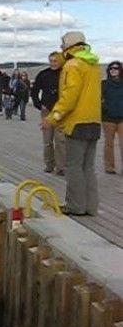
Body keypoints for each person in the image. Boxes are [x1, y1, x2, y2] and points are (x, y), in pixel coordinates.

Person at [44, 31, 101, 216]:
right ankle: (90, 207)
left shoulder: (72, 65)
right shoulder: (93, 65)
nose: (60, 47)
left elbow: (69, 96)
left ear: (70, 45)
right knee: (88, 167)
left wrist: (52, 118)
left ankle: (75, 206)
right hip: (94, 121)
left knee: (74, 166)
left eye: (62, 44)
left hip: (77, 123)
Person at [32, 52, 66, 174]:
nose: (53, 63)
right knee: (47, 140)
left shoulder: (65, 73)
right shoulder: (43, 74)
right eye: (51, 61)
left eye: (55, 61)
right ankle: (49, 164)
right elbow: (34, 90)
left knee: (60, 140)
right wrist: (38, 104)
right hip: (46, 110)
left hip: (60, 111)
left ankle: (61, 167)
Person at [102, 61, 122, 174]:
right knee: (109, 143)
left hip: (122, 118)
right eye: (111, 68)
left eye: (116, 68)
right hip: (108, 118)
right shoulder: (104, 84)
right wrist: (104, 109)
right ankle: (109, 167)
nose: (113, 70)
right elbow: (98, 99)